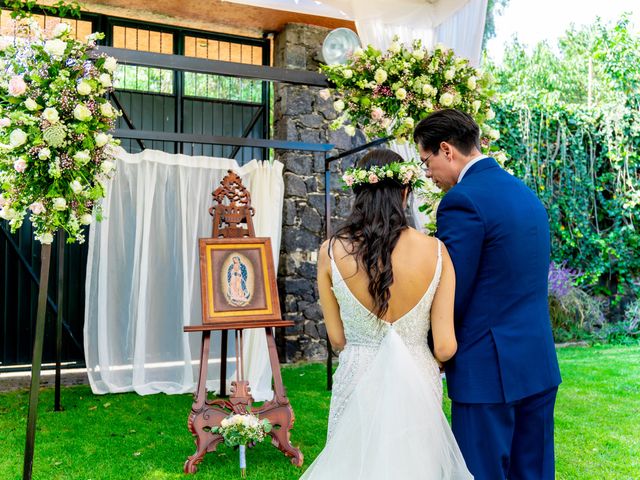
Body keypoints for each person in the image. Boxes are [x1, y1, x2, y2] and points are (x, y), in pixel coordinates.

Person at [301, 149, 472, 479]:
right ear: (405, 193)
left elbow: (337, 339)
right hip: (418, 375)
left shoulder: (330, 251)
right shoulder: (436, 251)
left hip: (358, 371)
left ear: (358, 194)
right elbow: (445, 347)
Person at [413, 109, 562, 480]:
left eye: (426, 162)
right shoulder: (525, 194)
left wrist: (431, 345)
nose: (427, 175)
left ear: (446, 150)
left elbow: (454, 291)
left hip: (486, 369)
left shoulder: (462, 201)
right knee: (535, 472)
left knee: (479, 472)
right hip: (538, 362)